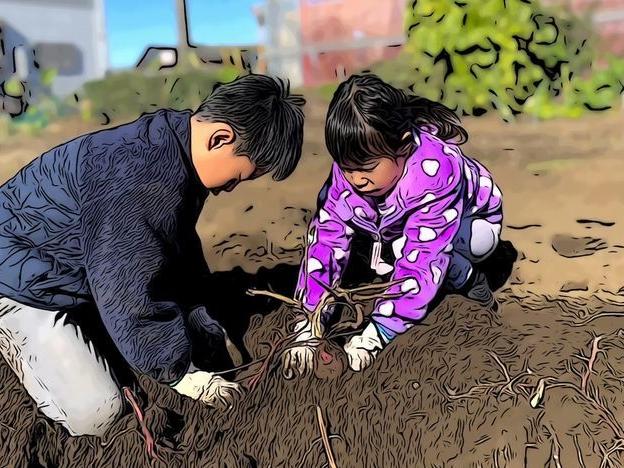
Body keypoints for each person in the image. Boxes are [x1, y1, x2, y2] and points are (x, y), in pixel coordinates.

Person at [0, 74, 305, 436]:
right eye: (239, 177)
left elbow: (170, 246)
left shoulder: (173, 145)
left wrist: (197, 316)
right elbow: (123, 283)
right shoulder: (140, 176)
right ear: (221, 138)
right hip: (21, 280)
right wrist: (181, 373)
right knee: (96, 415)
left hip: (70, 264)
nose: (231, 190)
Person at [283, 74, 502, 377]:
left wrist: (376, 335)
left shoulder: (436, 172)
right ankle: (423, 260)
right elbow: (327, 240)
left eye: (367, 168)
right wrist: (310, 323)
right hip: (400, 218)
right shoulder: (351, 172)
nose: (356, 179)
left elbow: (423, 258)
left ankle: (466, 276)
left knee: (415, 253)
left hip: (473, 222)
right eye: (346, 168)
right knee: (389, 249)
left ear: (403, 146)